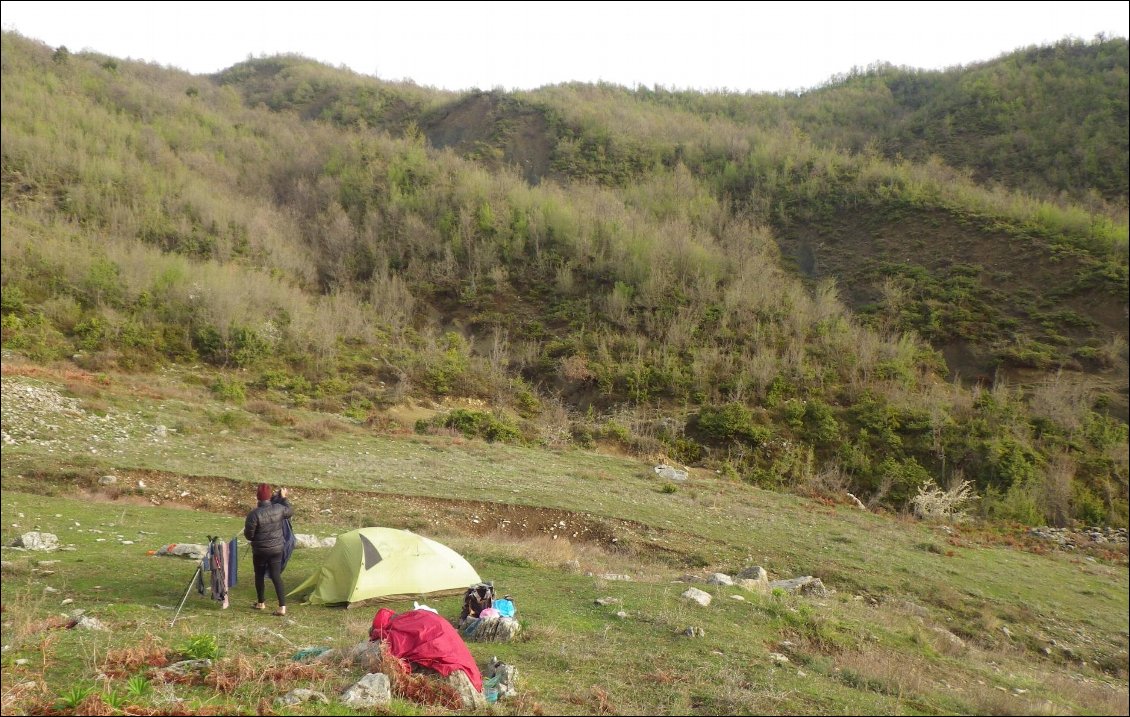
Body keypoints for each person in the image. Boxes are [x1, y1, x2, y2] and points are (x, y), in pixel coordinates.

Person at [244, 483, 293, 616]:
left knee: (259, 575)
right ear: (270, 496)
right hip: (277, 549)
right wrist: (283, 498)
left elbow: (249, 535)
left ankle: (261, 603)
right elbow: (290, 511)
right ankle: (282, 607)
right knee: (276, 576)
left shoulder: (253, 514)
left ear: (258, 498)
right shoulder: (279, 508)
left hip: (260, 551)